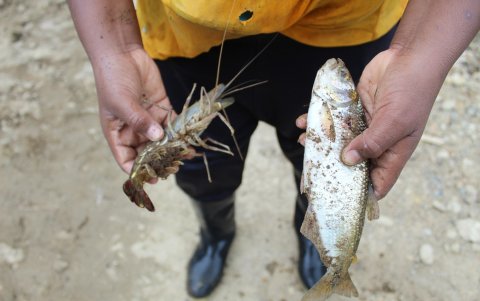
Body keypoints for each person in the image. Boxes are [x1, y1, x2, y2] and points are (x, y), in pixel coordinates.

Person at [67, 0, 480, 298]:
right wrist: (116, 46)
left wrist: (417, 56)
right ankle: (216, 232)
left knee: (322, 165)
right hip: (187, 38)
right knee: (204, 166)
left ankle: (318, 239)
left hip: (346, 28)